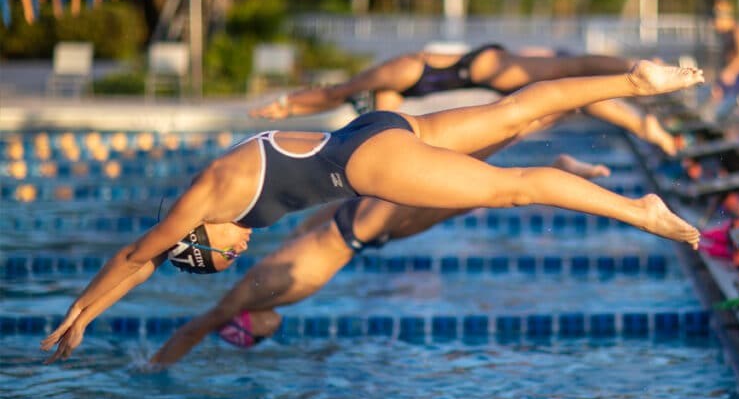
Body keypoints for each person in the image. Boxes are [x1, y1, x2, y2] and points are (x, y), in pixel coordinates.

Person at [39, 62, 705, 362]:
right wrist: (92, 310)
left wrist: (82, 309)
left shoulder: (207, 198)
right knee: (510, 113)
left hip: (359, 165)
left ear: (195, 239)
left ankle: (641, 211)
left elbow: (137, 258)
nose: (235, 254)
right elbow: (146, 262)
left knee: (514, 187)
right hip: (375, 133)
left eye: (218, 256)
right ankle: (634, 81)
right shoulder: (224, 199)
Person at [149, 152, 611, 366]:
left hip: (365, 224)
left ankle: (541, 150)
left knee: (465, 179)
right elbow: (313, 222)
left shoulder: (245, 295)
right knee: (469, 195)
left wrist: (154, 365)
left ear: (247, 326)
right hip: (368, 228)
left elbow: (197, 325)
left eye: (255, 337)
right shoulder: (267, 286)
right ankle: (560, 168)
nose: (269, 332)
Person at [250, 44, 680, 157]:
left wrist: (285, 105)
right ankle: (648, 126)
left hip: (483, 67)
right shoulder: (389, 97)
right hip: (485, 73)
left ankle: (643, 68)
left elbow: (332, 92)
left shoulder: (392, 74)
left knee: (576, 68)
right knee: (567, 97)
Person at [711, 0, 739, 101]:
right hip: (733, 74)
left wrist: (729, 73)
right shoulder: (727, 33)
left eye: (716, 18)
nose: (714, 23)